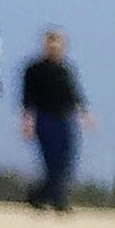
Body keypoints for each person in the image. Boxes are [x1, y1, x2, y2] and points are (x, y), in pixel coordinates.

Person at [20, 29, 84, 212]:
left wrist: (84, 113)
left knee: (66, 161)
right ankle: (58, 201)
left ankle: (39, 195)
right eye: (52, 45)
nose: (55, 49)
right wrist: (27, 120)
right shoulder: (33, 69)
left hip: (65, 119)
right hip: (44, 118)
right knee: (51, 162)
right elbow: (27, 97)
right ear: (45, 46)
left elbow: (74, 94)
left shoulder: (66, 70)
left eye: (59, 45)